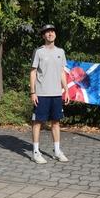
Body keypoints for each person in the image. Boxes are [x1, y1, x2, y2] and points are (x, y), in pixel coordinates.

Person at [30, 24, 70, 164]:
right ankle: (35, 152)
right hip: (41, 94)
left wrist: (66, 90)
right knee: (37, 122)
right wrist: (33, 92)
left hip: (56, 94)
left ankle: (57, 151)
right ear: (43, 36)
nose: (50, 34)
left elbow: (62, 73)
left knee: (56, 122)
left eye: (52, 31)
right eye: (47, 32)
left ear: (55, 34)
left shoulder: (61, 52)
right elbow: (33, 72)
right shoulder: (39, 52)